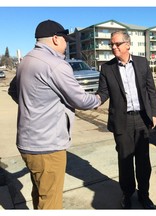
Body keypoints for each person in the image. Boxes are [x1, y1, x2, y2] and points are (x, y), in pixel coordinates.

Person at [8, 19, 101, 209]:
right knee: (50, 201)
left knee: (41, 193)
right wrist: (99, 99)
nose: (67, 45)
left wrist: (32, 105)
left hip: (28, 142)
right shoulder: (55, 65)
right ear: (56, 39)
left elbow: (12, 91)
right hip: (47, 146)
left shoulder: (26, 60)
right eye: (66, 40)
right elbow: (80, 100)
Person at [97, 30, 156, 209]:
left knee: (143, 161)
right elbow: (103, 92)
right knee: (125, 161)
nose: (113, 47)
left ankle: (144, 194)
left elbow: (151, 90)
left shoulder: (141, 63)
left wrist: (154, 113)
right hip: (121, 121)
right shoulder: (107, 68)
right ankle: (127, 194)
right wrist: (94, 100)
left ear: (127, 45)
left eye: (117, 44)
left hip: (141, 119)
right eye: (111, 44)